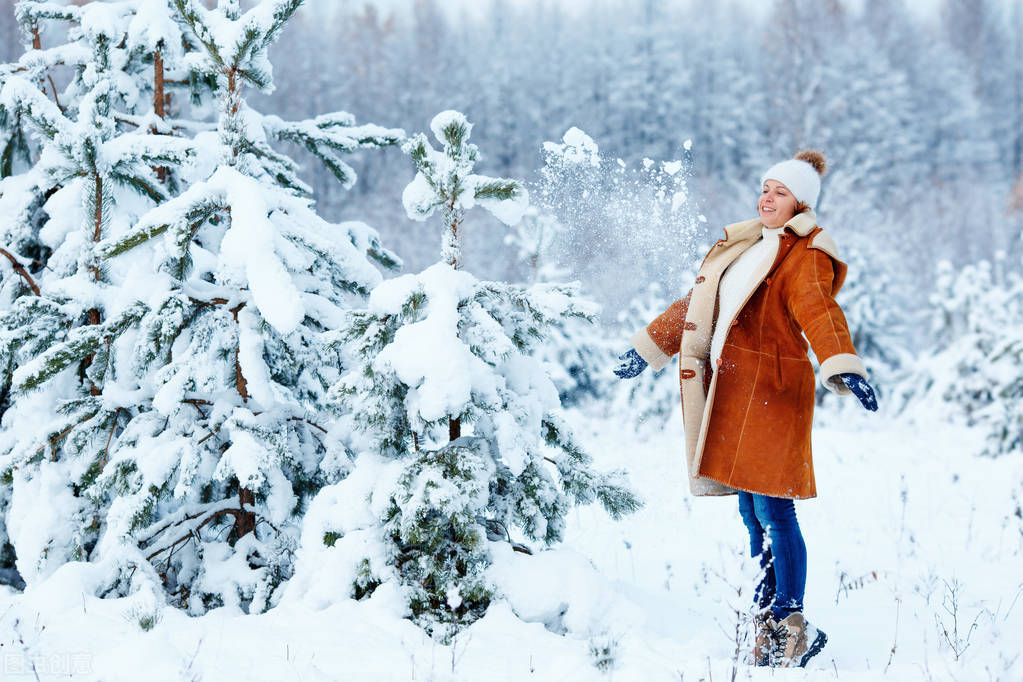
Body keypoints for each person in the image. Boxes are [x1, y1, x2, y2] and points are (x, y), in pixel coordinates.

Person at [613, 150, 877, 668]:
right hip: (732, 393)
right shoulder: (744, 249)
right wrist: (648, 348)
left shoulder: (804, 255)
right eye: (763, 188)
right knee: (748, 508)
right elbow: (695, 307)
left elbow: (820, 311)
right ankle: (766, 614)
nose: (766, 198)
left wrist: (843, 365)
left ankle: (792, 623)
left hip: (774, 393)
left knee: (775, 508)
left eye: (779, 192)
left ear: (801, 202)